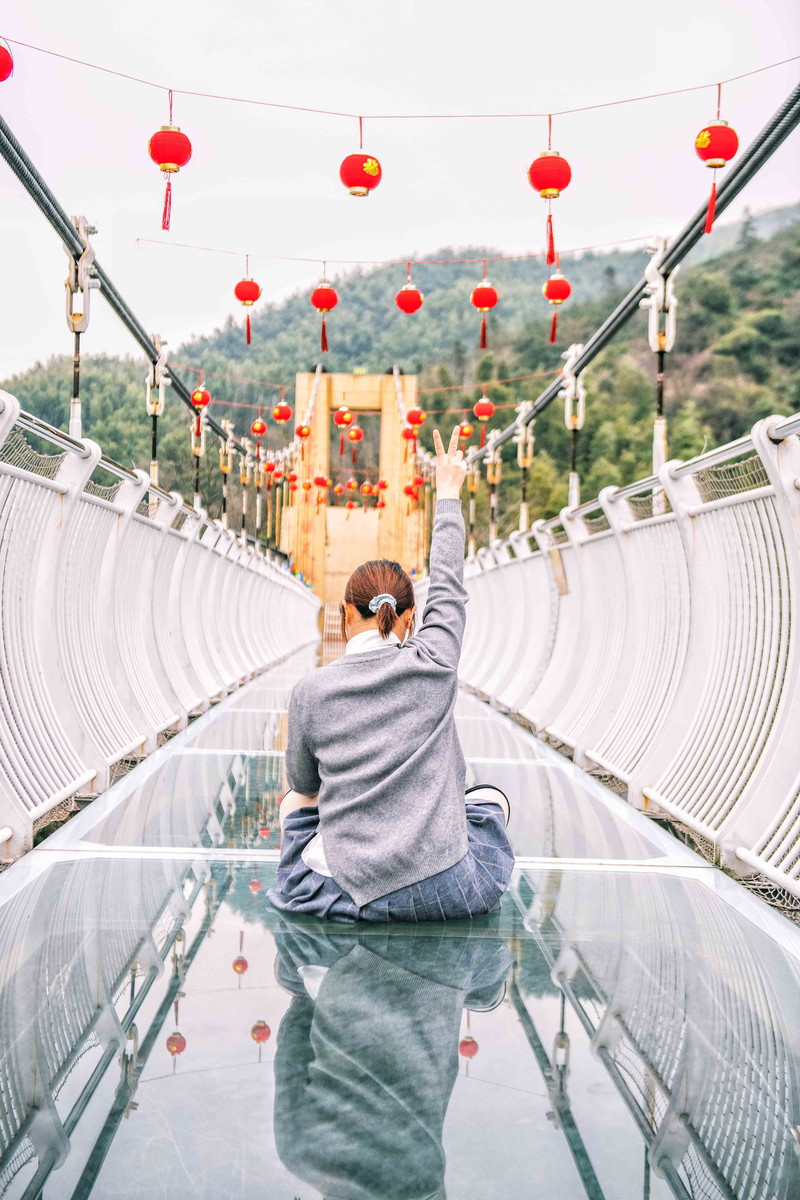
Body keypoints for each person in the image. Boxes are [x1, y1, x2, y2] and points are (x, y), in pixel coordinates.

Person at [267, 427, 514, 923]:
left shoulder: (310, 691)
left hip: (345, 892)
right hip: (447, 889)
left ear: (342, 614)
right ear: (411, 618)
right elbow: (449, 584)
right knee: (487, 804)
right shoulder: (434, 662)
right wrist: (447, 495)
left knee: (294, 801)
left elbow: (302, 784)